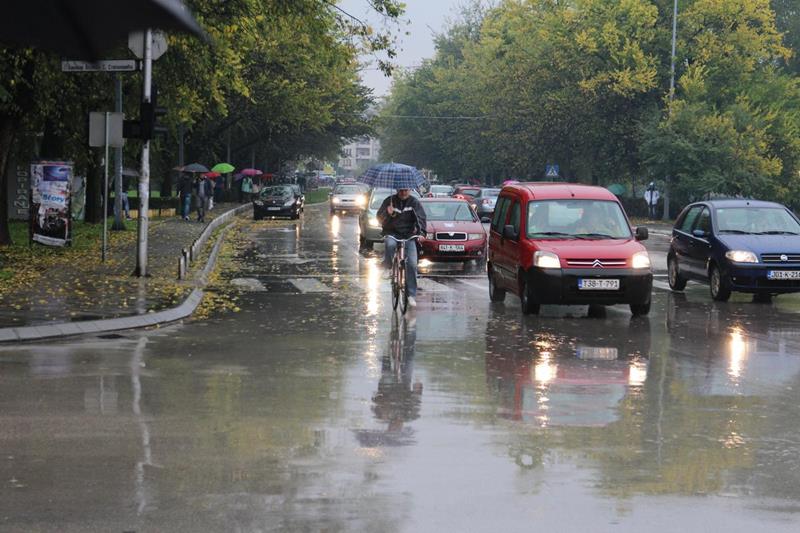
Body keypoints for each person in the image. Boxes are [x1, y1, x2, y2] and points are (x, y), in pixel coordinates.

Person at [377, 188, 427, 308]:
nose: (403, 193)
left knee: (412, 265)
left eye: (406, 190)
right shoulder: (389, 201)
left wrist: (422, 234)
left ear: (409, 190)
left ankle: (411, 295)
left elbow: (421, 219)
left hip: (409, 235)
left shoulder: (414, 202)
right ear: (397, 190)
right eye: (401, 191)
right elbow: (379, 218)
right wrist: (388, 214)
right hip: (392, 233)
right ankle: (388, 266)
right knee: (390, 245)